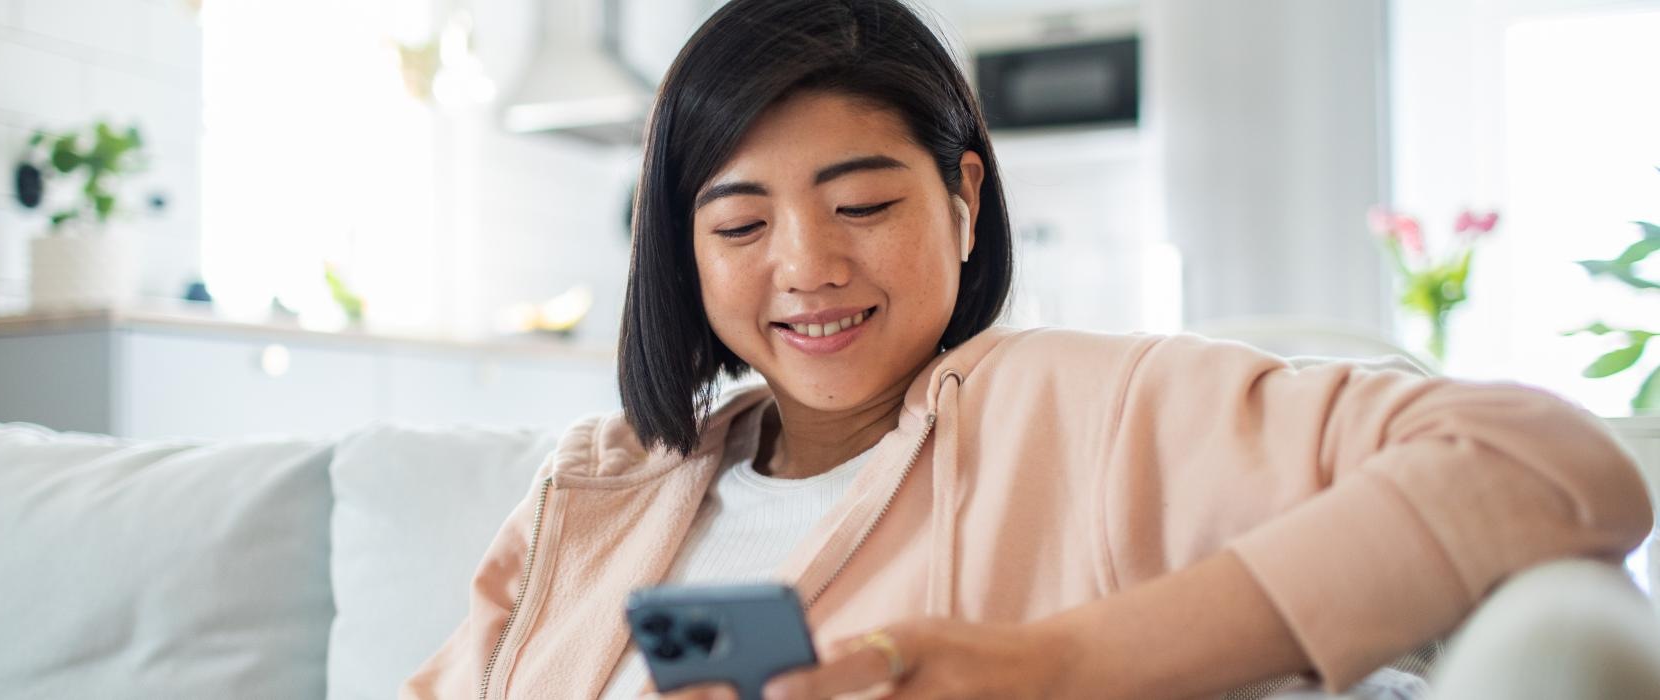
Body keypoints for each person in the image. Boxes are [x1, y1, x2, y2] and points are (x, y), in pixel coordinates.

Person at [400, 1, 1653, 698]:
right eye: (739, 222)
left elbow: (1549, 460)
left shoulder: (1098, 408)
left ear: (962, 200)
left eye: (864, 203)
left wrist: (1063, 662)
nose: (806, 265)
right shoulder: (593, 486)